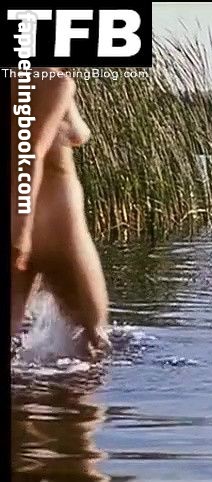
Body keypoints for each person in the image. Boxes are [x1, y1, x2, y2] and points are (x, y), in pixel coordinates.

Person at [10, 68, 110, 357]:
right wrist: (23, 230)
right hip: (58, 224)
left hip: (19, 213)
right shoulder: (55, 83)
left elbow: (75, 133)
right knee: (93, 337)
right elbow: (31, 152)